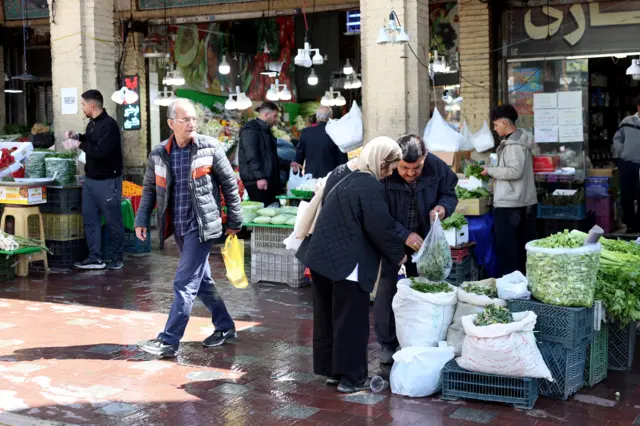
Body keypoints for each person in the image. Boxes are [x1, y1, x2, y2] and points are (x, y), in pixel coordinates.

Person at [296, 137, 407, 394]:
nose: (389, 173)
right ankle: (351, 378)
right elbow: (381, 227)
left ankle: (332, 371)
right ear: (380, 160)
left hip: (322, 257)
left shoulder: (340, 172)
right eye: (389, 167)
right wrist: (399, 255)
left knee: (327, 317)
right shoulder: (368, 185)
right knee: (351, 320)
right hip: (348, 263)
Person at [134, 98, 243, 358]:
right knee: (202, 281)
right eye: (186, 119)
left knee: (184, 283)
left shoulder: (210, 147)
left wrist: (234, 221)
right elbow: (149, 188)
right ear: (171, 123)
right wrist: (140, 219)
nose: (192, 123)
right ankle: (225, 326)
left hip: (202, 226)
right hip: (179, 226)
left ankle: (169, 341)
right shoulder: (159, 153)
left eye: (194, 118)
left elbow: (230, 184)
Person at [375, 134, 458, 365]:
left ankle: (419, 340)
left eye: (417, 168)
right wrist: (404, 235)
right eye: (404, 168)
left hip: (425, 240)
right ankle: (387, 344)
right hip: (393, 240)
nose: (411, 174)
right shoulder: (384, 172)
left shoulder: (436, 167)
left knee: (424, 289)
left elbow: (450, 193)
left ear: (426, 157)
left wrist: (443, 208)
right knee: (389, 288)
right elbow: (379, 215)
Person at [64, 90, 124, 271]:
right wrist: (77, 136)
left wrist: (79, 145)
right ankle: (95, 257)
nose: (82, 108)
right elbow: (90, 140)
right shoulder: (92, 124)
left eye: (83, 105)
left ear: (91, 106)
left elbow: (101, 151)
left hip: (108, 181)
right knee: (90, 219)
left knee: (113, 220)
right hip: (90, 181)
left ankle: (117, 257)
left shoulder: (110, 125)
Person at [482, 104, 537, 276]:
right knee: (519, 251)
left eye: (496, 124)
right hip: (519, 202)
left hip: (510, 204)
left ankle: (512, 289)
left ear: (505, 123)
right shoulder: (519, 140)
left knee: (509, 253)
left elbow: (515, 171)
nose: (495, 128)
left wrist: (490, 171)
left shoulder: (514, 145)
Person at [238, 101, 281, 206]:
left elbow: (269, 155)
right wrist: (259, 177)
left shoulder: (264, 130)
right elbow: (251, 156)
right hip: (256, 181)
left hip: (266, 180)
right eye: (275, 116)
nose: (276, 120)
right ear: (266, 114)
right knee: (261, 212)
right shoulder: (251, 130)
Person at [291, 106, 348, 179]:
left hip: (310, 177)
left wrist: (298, 175)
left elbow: (299, 156)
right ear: (331, 116)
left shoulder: (306, 132)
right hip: (331, 178)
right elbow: (342, 159)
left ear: (317, 117)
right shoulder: (337, 132)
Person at [612, 96, 640, 233]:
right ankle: (630, 224)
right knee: (626, 194)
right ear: (638, 107)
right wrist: (623, 152)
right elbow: (617, 138)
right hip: (628, 162)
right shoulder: (627, 121)